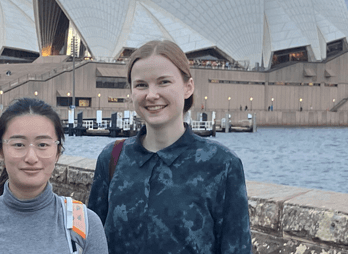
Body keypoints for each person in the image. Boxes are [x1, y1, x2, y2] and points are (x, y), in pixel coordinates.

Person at [88, 40, 251, 254]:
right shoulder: (113, 158)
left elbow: (236, 248)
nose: (152, 95)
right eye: (141, 85)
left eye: (164, 82)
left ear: (188, 87)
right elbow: (92, 242)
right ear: (131, 92)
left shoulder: (221, 164)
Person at [0, 98, 108, 254]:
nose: (31, 157)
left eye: (42, 145)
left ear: (58, 152)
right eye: (19, 144)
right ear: (0, 151)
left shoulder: (86, 225)